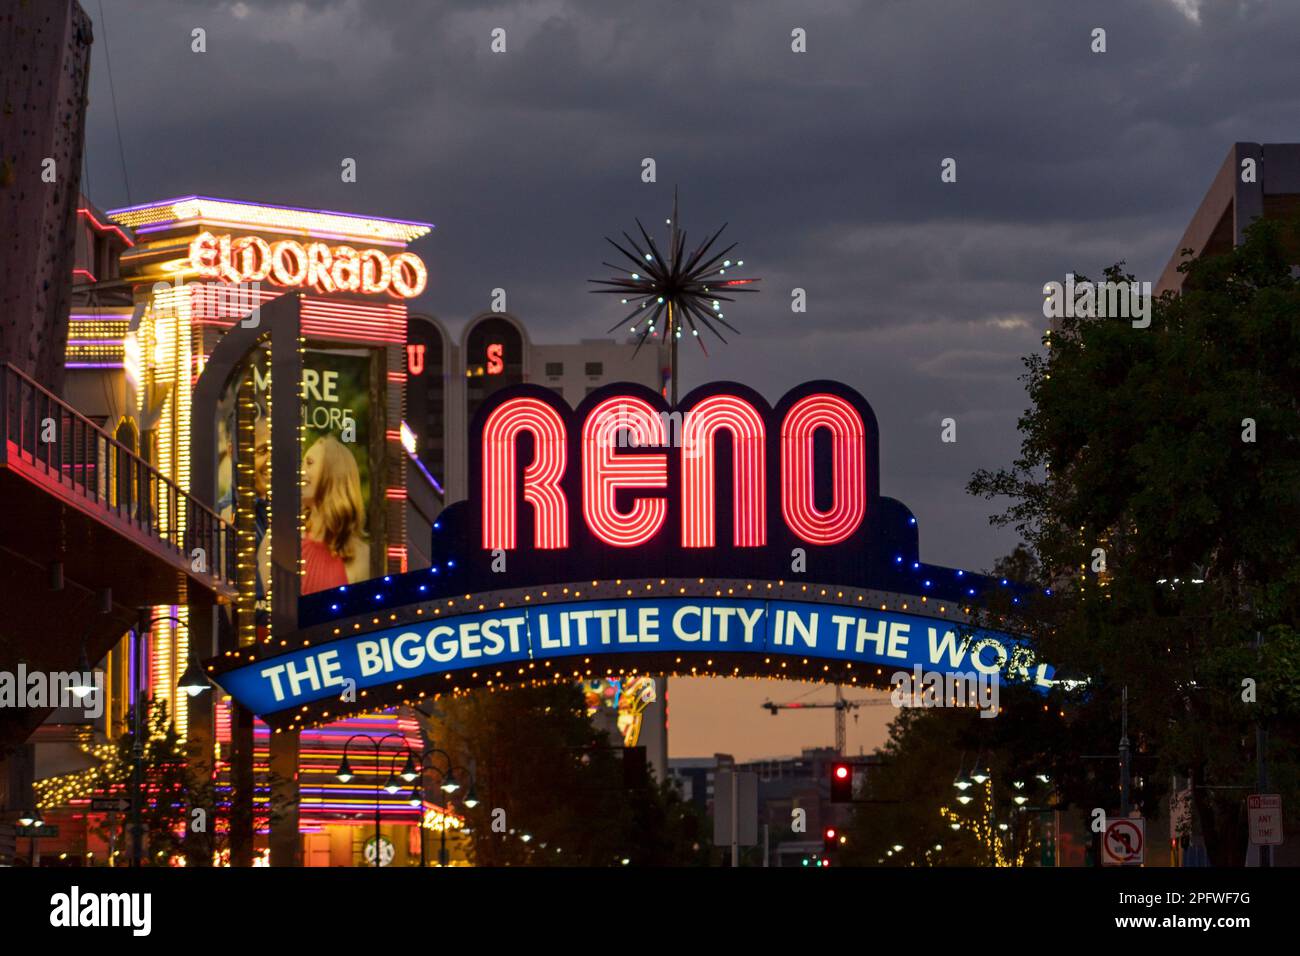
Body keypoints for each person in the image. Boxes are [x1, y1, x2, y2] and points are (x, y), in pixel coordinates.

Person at [301, 433, 369, 593]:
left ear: (333, 473)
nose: (301, 471)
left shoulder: (362, 557)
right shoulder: (280, 541)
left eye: (309, 463)